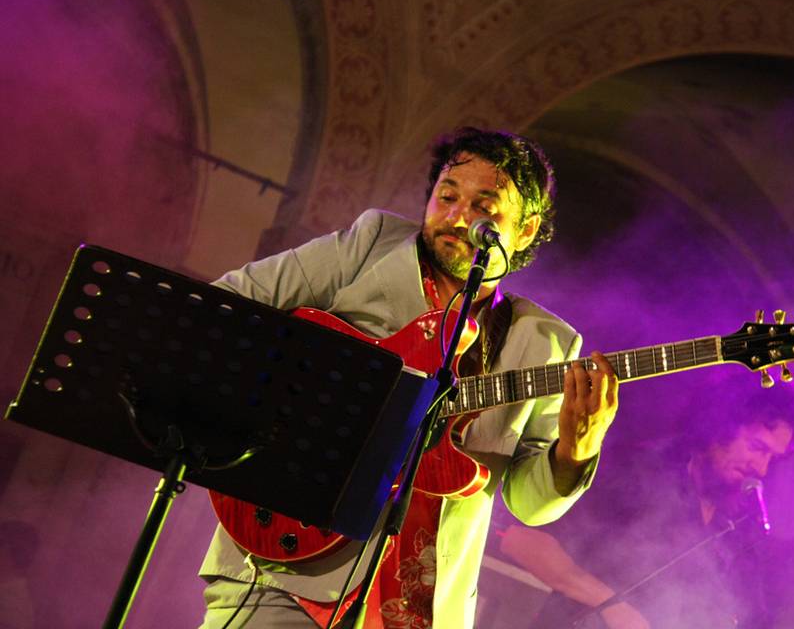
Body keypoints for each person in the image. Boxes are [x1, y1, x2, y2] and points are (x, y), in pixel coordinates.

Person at [197, 127, 620, 628]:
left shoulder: (548, 342)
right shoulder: (370, 246)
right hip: (288, 568)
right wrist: (305, 404)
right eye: (447, 196)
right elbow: (226, 307)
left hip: (419, 609)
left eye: (485, 207)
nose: (458, 217)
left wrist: (576, 450)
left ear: (525, 231)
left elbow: (528, 505)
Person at [497, 379, 794, 628]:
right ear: (721, 426)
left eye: (772, 458)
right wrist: (616, 608)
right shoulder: (639, 471)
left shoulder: (735, 528)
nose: (761, 468)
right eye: (756, 446)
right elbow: (519, 540)